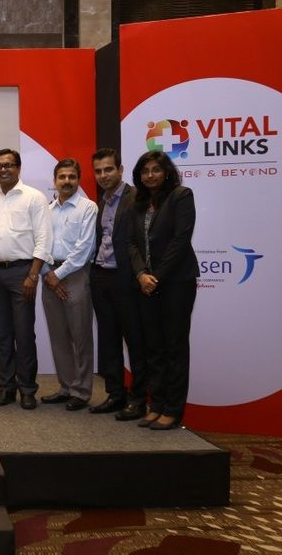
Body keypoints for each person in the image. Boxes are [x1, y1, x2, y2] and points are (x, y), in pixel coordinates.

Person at [127, 150, 198, 430]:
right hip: (146, 283)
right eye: (145, 171)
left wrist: (155, 277)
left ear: (167, 172)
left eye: (156, 169)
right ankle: (156, 405)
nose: (150, 175)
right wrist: (141, 274)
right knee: (153, 348)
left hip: (176, 283)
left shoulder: (181, 195)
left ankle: (173, 409)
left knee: (174, 347)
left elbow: (180, 240)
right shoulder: (138, 202)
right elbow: (131, 243)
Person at [0, 148, 52, 410]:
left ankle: (28, 389)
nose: (3, 170)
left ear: (18, 168)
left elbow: (44, 238)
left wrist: (33, 274)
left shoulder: (34, 197)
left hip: (22, 273)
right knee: (2, 335)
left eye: (8, 165)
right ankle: (6, 388)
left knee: (23, 335)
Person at [88, 148, 147, 421]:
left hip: (126, 279)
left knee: (135, 341)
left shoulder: (136, 198)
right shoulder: (102, 201)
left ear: (121, 170)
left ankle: (139, 399)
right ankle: (115, 394)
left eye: (108, 169)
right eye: (98, 171)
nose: (103, 175)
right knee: (108, 340)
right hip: (101, 277)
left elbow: (141, 242)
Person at [39, 159, 97, 411]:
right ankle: (66, 387)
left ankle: (81, 392)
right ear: (54, 180)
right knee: (59, 337)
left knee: (80, 336)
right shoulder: (47, 210)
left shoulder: (88, 208)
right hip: (49, 275)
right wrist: (47, 273)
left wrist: (58, 274)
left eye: (71, 177)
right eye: (62, 177)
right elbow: (39, 243)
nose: (66, 181)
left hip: (75, 274)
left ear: (78, 180)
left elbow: (85, 248)